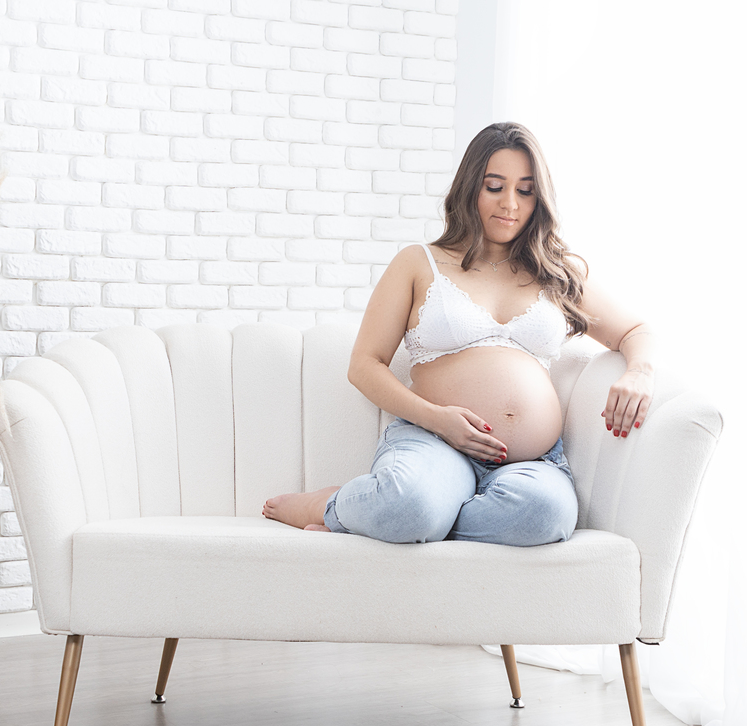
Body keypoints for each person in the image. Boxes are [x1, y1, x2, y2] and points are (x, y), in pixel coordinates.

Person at [262, 122, 655, 545]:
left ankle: (396, 512)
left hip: (530, 461)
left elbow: (635, 330)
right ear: (470, 188)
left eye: (525, 190)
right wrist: (439, 420)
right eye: (494, 186)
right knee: (411, 503)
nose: (510, 204)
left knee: (546, 515)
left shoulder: (557, 273)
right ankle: (339, 504)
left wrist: (639, 372)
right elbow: (364, 366)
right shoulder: (418, 263)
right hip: (434, 441)